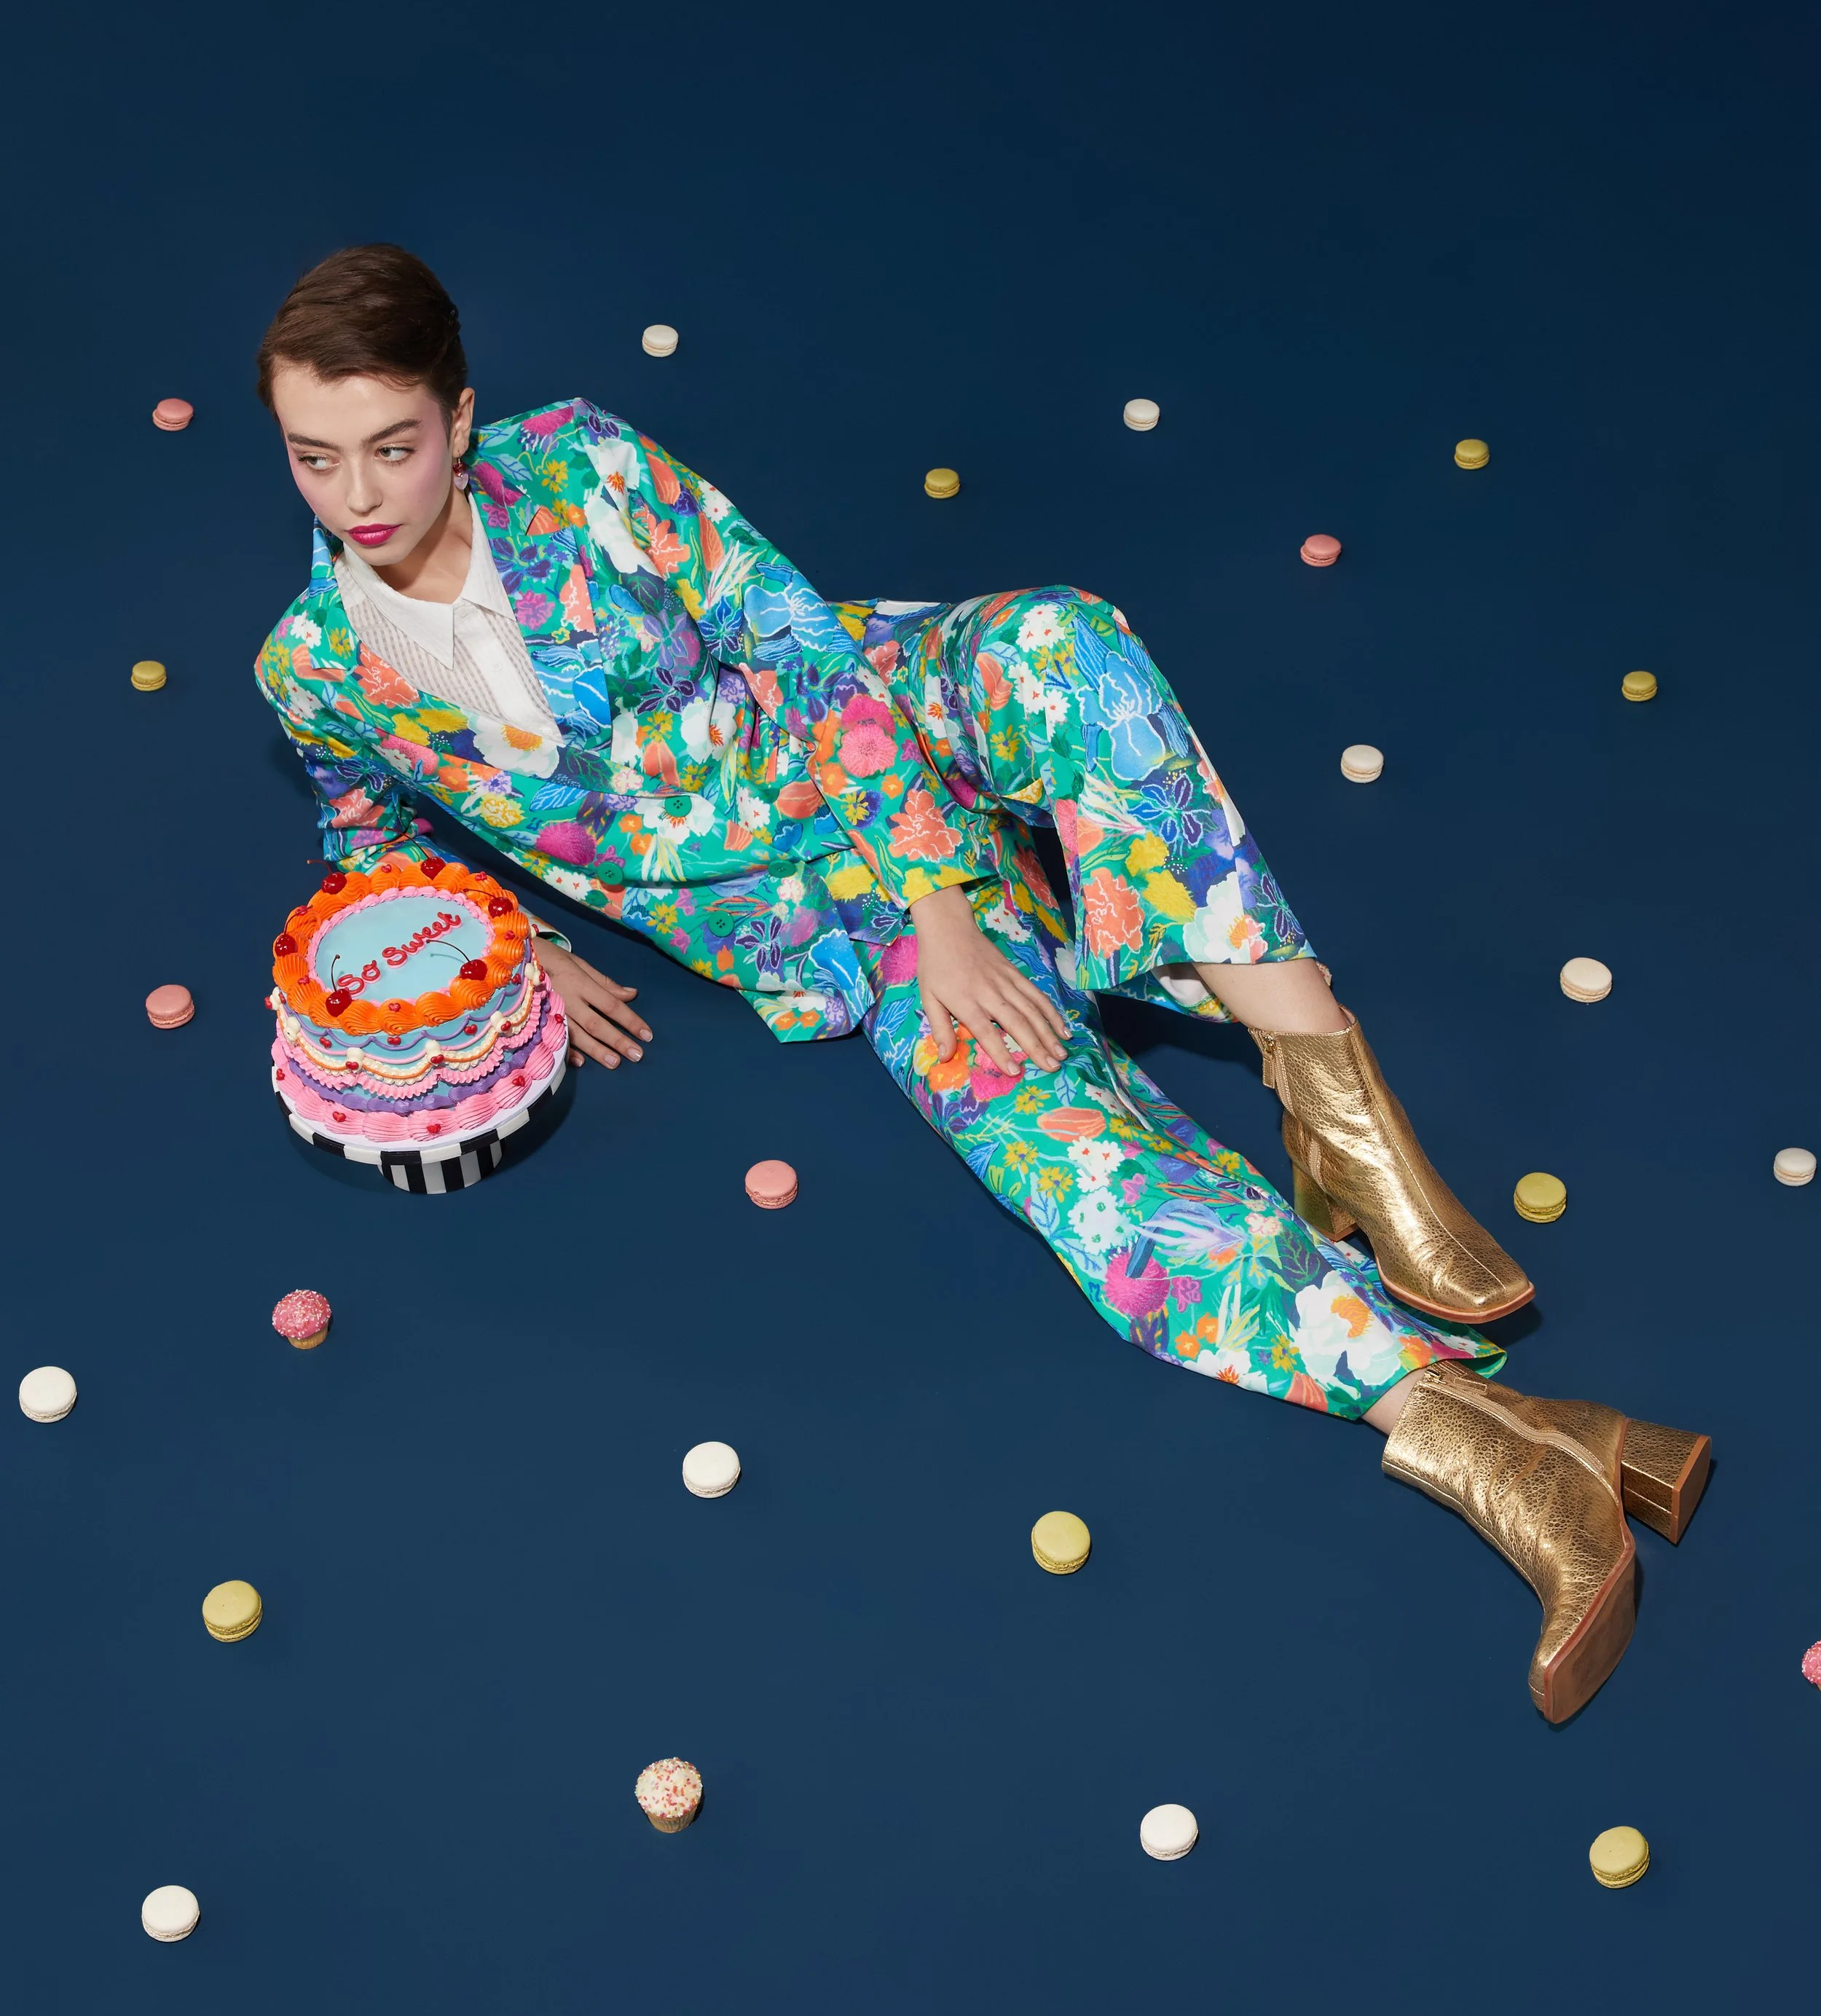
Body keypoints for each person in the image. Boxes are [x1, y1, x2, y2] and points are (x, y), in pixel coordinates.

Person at [254, 244, 1710, 1720]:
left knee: (1059, 646)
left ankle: (1343, 1119)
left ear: (461, 415)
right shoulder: (314, 665)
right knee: (1091, 1192)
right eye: (317, 459)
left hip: (883, 727)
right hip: (824, 932)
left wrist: (938, 887)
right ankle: (1511, 1455)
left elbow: (791, 640)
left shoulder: (581, 466)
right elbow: (365, 836)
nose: (362, 497)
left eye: (395, 446)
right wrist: (527, 948)